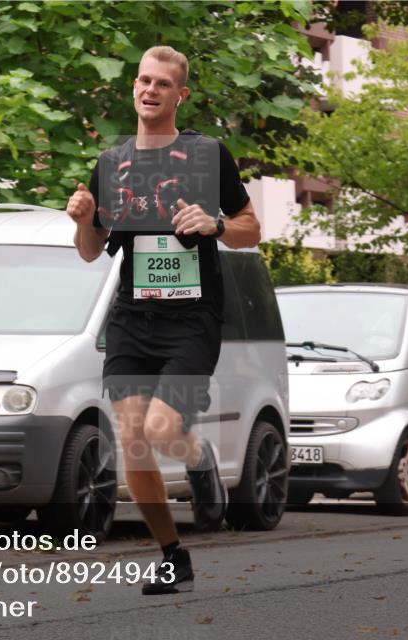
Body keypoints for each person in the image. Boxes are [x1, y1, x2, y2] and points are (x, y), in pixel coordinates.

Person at [66, 45, 262, 595]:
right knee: (132, 440)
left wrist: (216, 224)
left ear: (181, 95)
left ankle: (197, 456)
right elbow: (91, 250)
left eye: (163, 84)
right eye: (144, 80)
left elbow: (251, 228)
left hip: (192, 319)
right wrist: (84, 221)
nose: (150, 90)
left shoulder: (207, 156)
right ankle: (173, 554)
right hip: (132, 317)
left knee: (160, 430)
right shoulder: (112, 164)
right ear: (134, 86)